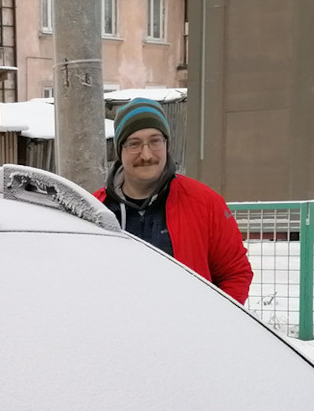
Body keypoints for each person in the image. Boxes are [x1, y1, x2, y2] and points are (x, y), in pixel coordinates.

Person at [95, 101, 252, 304]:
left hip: (189, 331)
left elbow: (234, 274)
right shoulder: (96, 210)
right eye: (134, 143)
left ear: (166, 144)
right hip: (120, 332)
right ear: (120, 150)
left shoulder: (204, 203)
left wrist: (214, 324)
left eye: (155, 141)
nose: (146, 154)